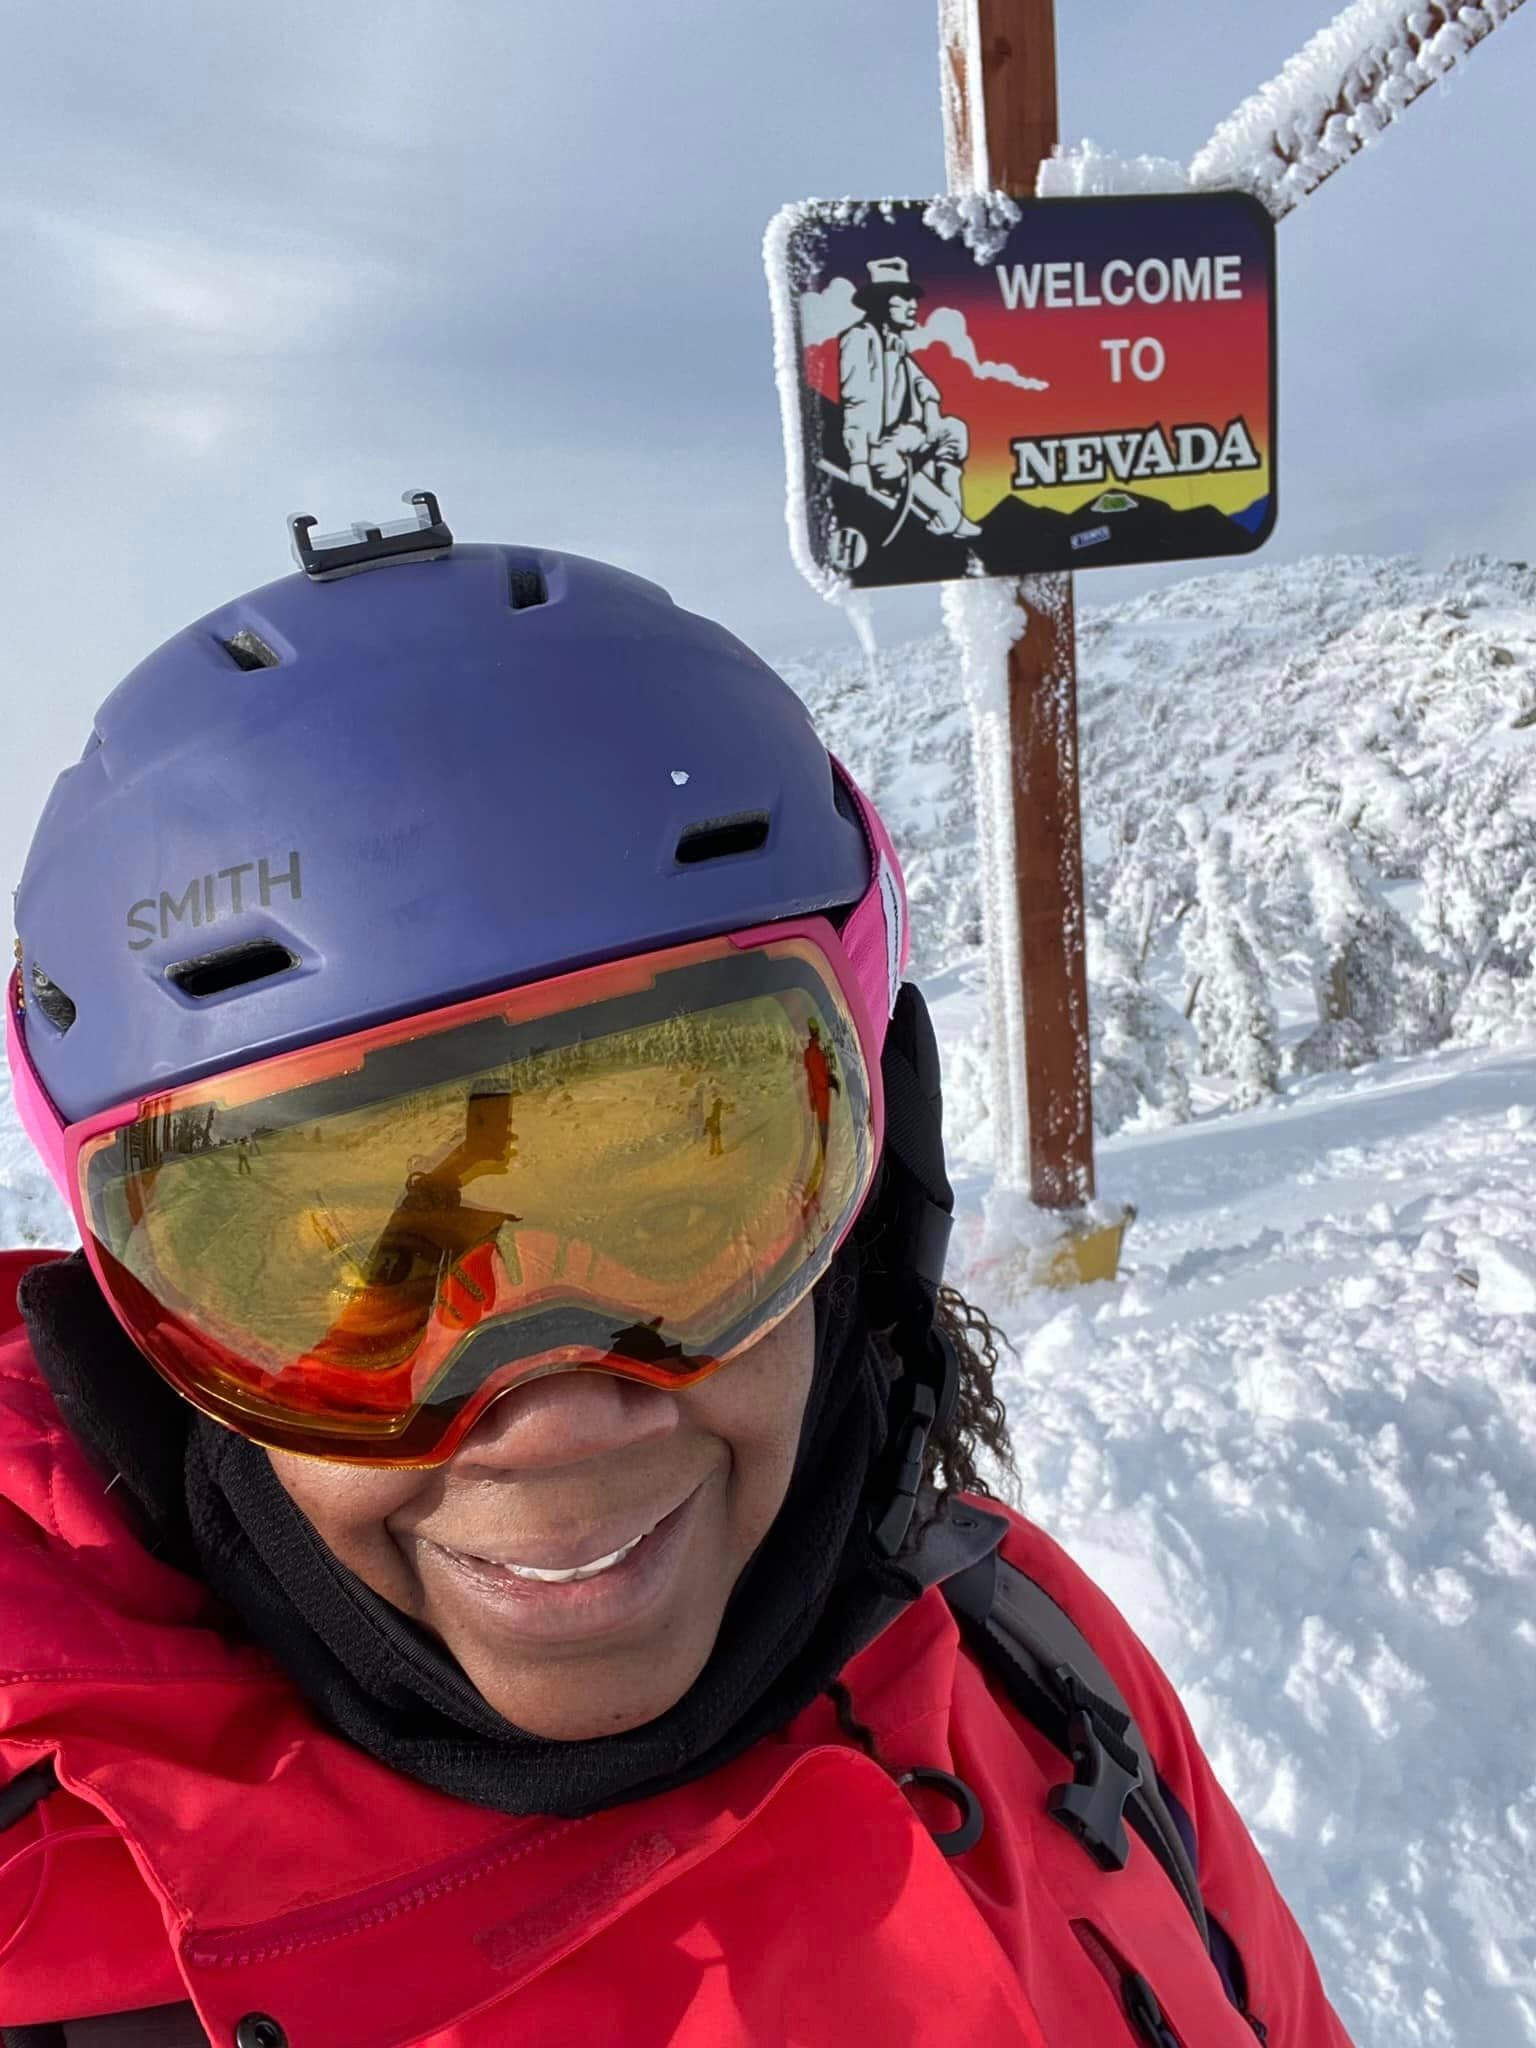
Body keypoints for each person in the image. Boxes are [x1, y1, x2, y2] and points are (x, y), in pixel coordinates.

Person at [0, 503, 1352, 2047]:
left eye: (670, 1185)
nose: (553, 1414)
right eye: (354, 1267)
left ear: (863, 1186)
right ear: (153, 1341)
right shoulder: (56, 1951)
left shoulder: (1015, 1643)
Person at [838, 255, 981, 540]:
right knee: (894, 459)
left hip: (906, 433)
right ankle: (947, 515)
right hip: (878, 446)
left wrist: (930, 409)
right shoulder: (860, 339)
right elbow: (857, 402)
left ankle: (954, 510)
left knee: (954, 429)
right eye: (903, 298)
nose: (913, 306)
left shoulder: (897, 343)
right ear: (882, 302)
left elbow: (922, 382)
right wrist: (859, 463)